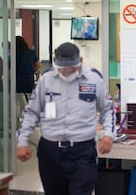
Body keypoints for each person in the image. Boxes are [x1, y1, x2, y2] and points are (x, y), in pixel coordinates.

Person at [16, 42, 116, 195]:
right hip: (50, 152)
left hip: (82, 152)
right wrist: (22, 141)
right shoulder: (46, 79)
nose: (67, 73)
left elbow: (107, 110)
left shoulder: (94, 79)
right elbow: (31, 112)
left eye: (71, 69)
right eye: (63, 69)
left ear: (80, 61)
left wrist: (108, 134)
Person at [15, 36, 42, 121]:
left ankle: (22, 115)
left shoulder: (15, 54)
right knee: (29, 96)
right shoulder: (31, 52)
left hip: (19, 78)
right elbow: (38, 64)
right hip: (29, 78)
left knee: (19, 97)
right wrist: (35, 72)